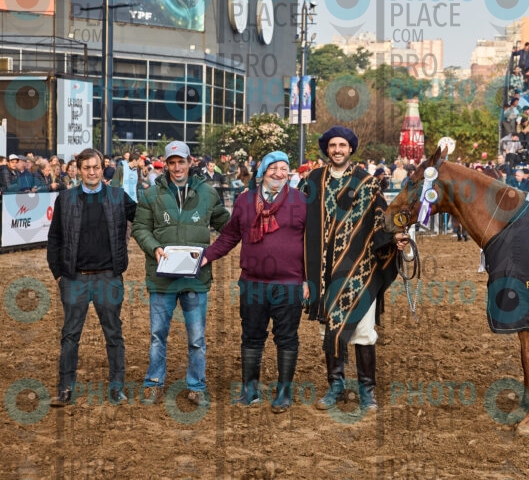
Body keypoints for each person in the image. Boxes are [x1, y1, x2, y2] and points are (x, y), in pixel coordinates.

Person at [302, 126, 407, 413]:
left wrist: (395, 237)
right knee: (329, 329)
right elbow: (298, 222)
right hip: (323, 271)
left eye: (342, 145)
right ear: (327, 149)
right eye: (332, 145)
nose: (337, 150)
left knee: (363, 330)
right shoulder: (312, 182)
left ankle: (366, 391)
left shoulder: (367, 183)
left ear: (351, 149)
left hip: (361, 270)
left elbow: (381, 220)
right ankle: (335, 387)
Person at [203, 151, 307, 411]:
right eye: (273, 168)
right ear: (262, 171)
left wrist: (308, 280)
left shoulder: (301, 201)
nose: (279, 173)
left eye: (284, 168)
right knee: (251, 335)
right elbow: (230, 236)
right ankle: (250, 390)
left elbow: (312, 243)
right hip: (252, 282)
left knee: (287, 338)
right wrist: (205, 257)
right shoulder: (245, 201)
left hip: (289, 283)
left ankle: (284, 392)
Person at [132, 141, 230, 407]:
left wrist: (213, 252)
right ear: (165, 164)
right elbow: (140, 228)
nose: (177, 167)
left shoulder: (208, 193)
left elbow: (227, 226)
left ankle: (196, 385)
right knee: (157, 336)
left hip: (195, 279)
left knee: (196, 339)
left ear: (190, 162)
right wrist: (154, 248)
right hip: (161, 278)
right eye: (172, 162)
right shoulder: (151, 194)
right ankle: (154, 382)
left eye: (181, 162)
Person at [46, 148, 137, 406]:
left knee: (114, 334)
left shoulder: (118, 196)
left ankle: (117, 388)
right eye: (86, 168)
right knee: (70, 335)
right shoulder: (65, 199)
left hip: (108, 277)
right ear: (78, 170)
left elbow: (143, 218)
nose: (92, 172)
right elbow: (54, 238)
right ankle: (65, 389)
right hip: (74, 278)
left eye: (96, 167)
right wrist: (58, 274)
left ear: (102, 167)